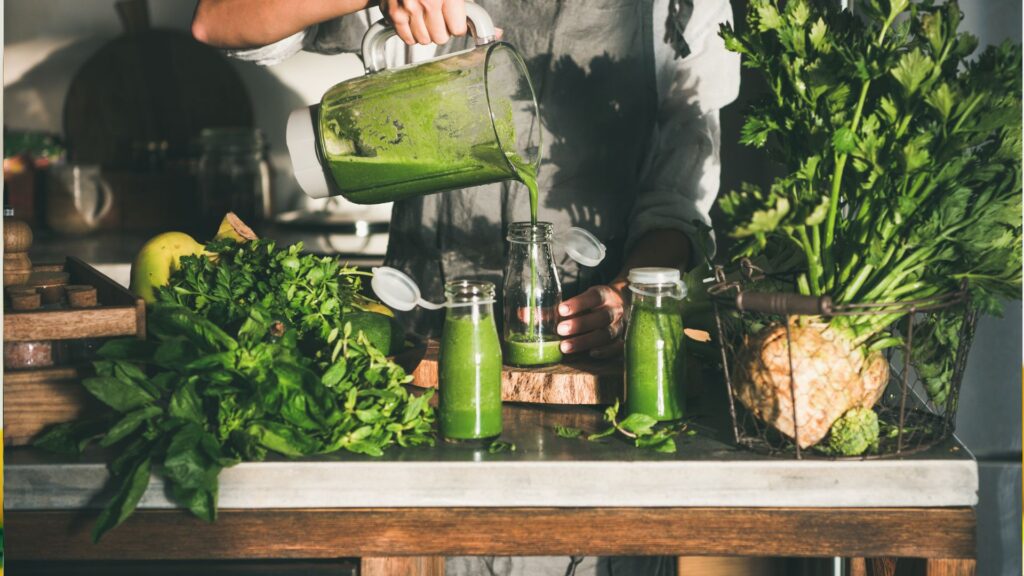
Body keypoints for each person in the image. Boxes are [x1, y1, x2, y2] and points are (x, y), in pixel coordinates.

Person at [193, 1, 738, 574]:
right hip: (421, 398)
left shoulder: (682, 8)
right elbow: (221, 21)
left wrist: (627, 297)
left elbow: (676, 204)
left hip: (598, 412)